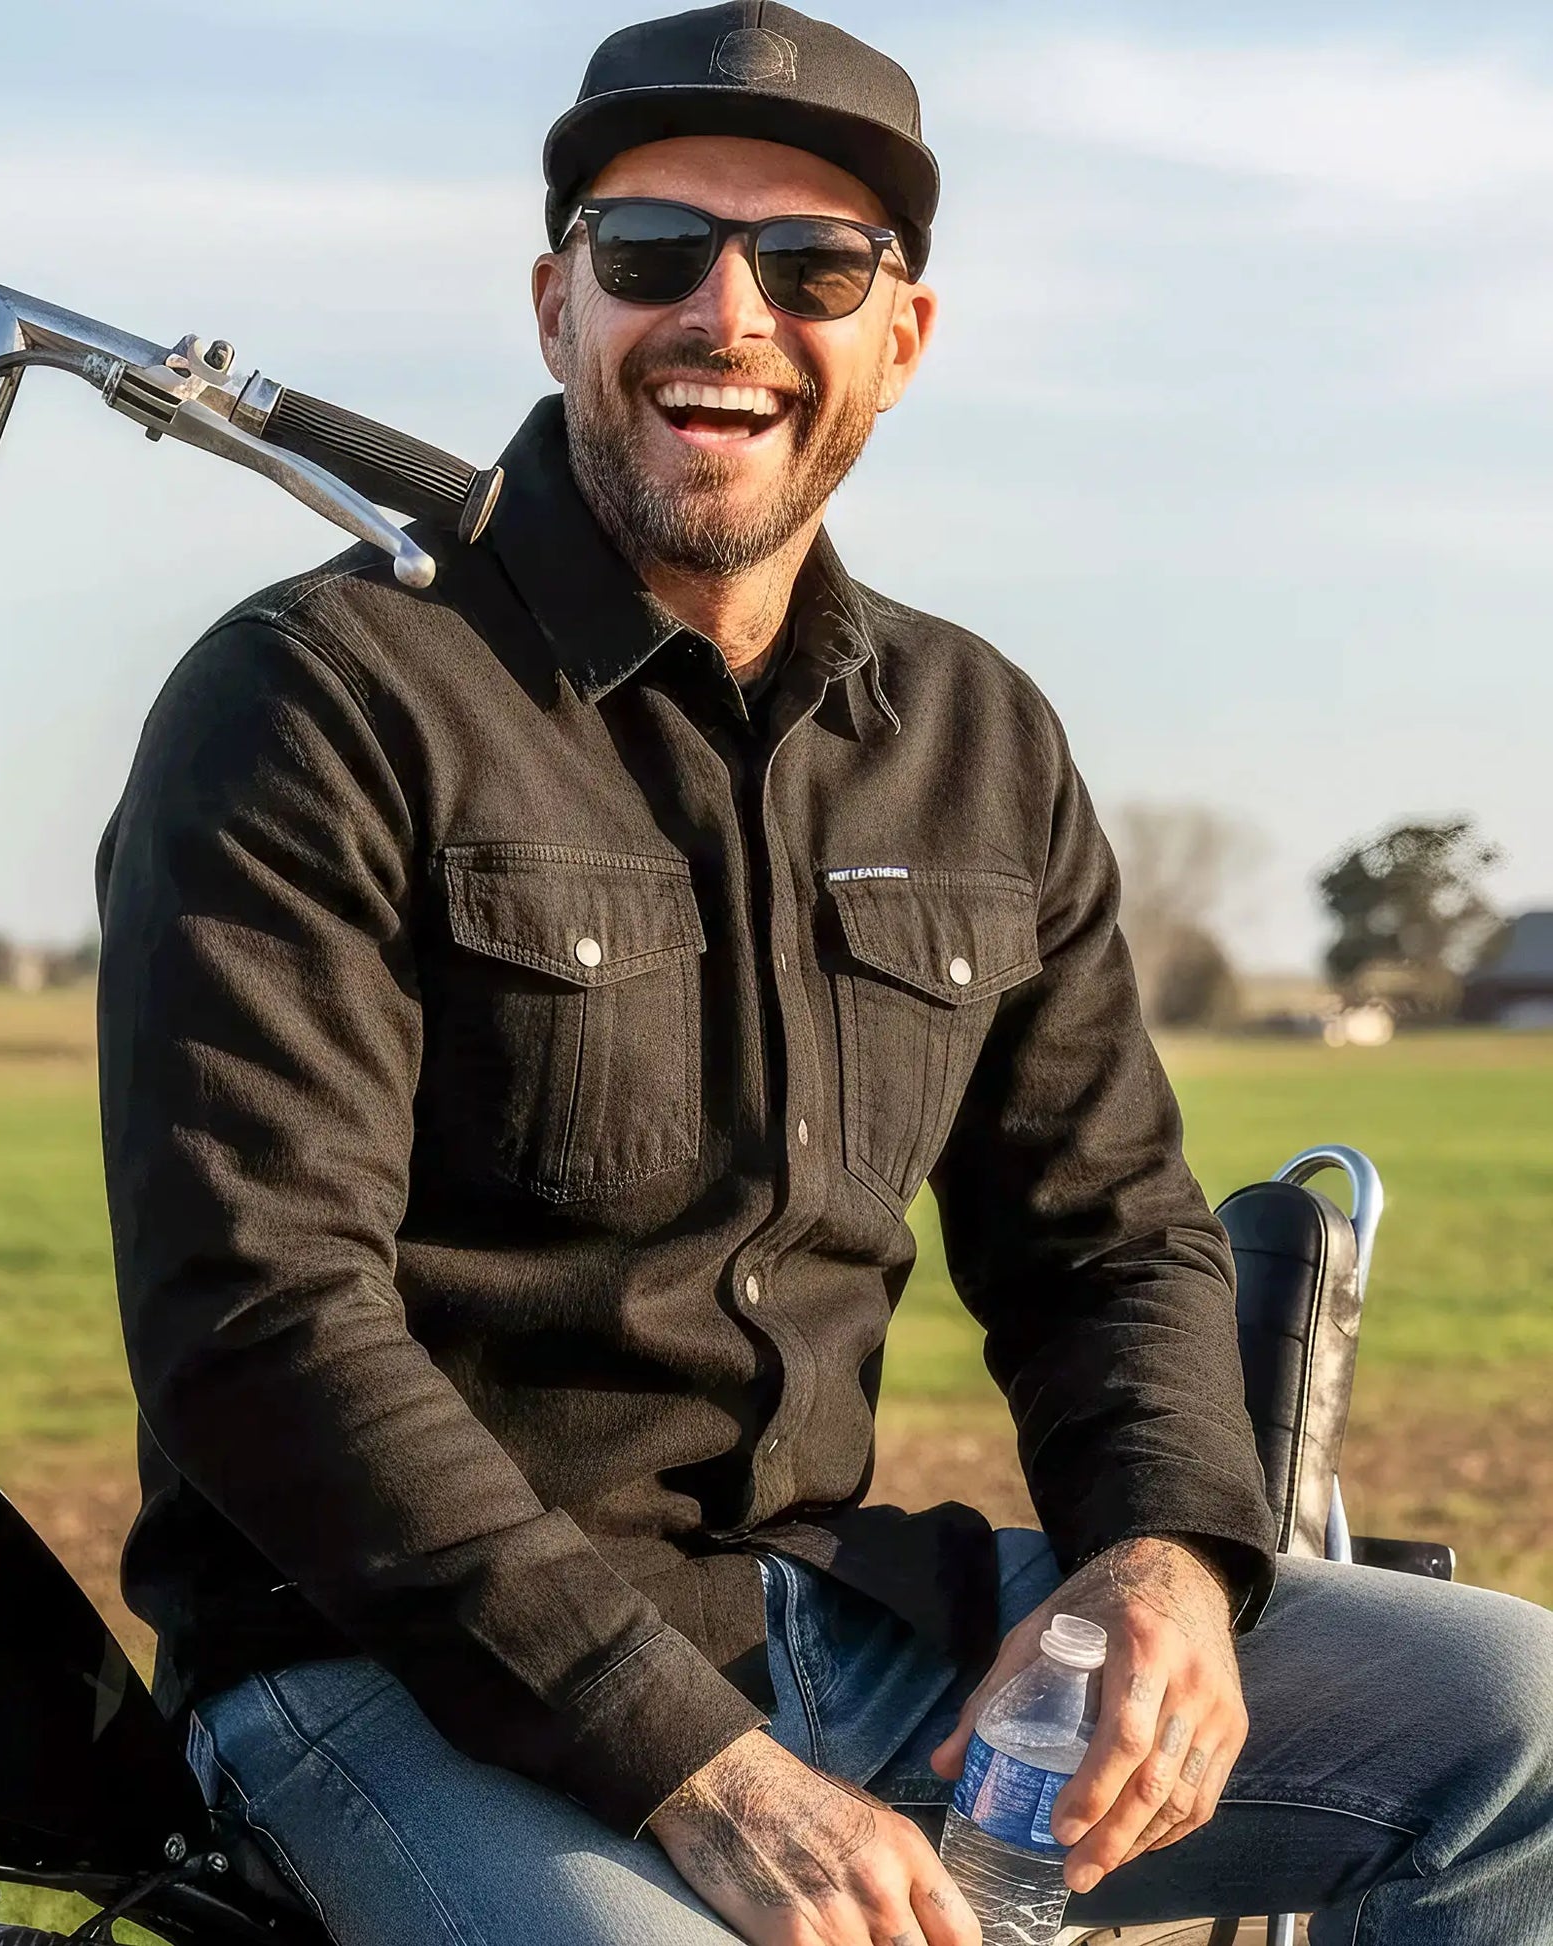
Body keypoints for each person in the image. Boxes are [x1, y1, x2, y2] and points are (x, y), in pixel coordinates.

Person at [95, 7, 1553, 1942]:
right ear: (555, 305)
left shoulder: (976, 735)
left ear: (900, 335)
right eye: (651, 252)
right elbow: (261, 1316)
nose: (728, 314)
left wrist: (1167, 1559)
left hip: (833, 1621)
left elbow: (1107, 1237)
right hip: (397, 1670)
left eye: (812, 265)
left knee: (1512, 1725)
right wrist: (696, 1767)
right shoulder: (319, 699)